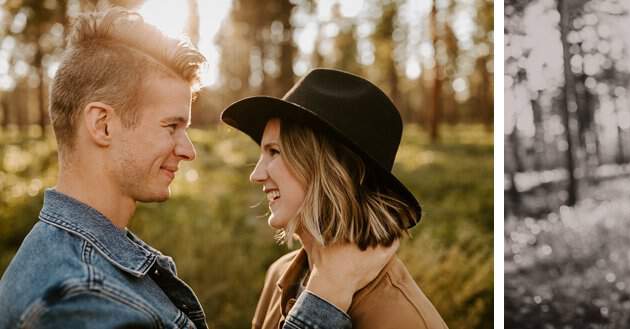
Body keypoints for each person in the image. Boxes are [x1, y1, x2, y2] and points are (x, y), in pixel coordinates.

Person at [0, 9, 388, 328]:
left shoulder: (81, 258)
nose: (188, 151)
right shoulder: (82, 300)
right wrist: (329, 290)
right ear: (103, 124)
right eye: (171, 126)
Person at [220, 68, 447, 329]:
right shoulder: (279, 275)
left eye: (274, 152)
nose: (256, 175)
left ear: (330, 170)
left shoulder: (405, 320)